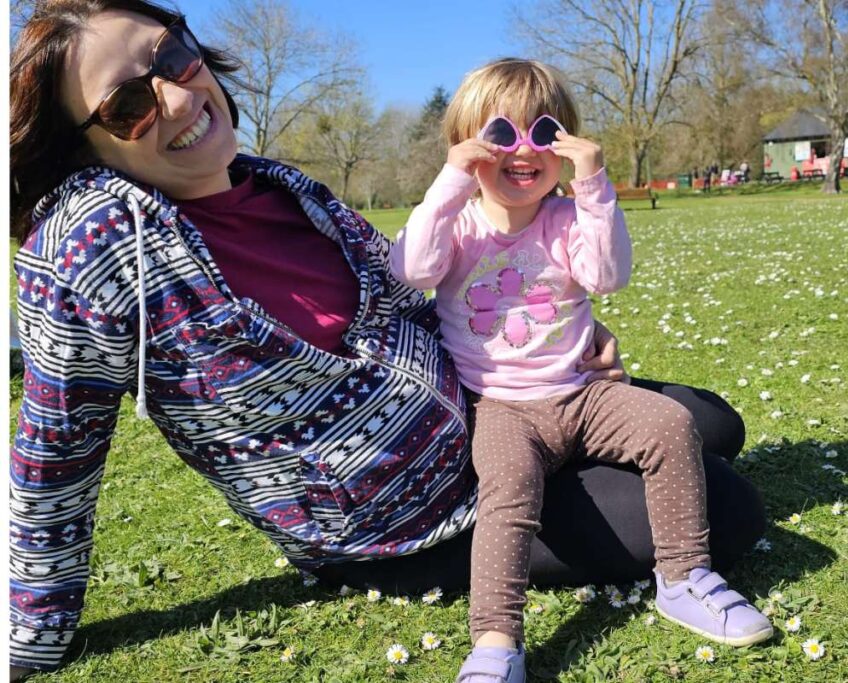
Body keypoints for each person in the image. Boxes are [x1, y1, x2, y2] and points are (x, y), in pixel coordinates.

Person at [9, 1, 766, 678]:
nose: (176, 96)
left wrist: (554, 319)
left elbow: (408, 288)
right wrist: (26, 639)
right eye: (128, 105)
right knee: (727, 508)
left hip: (484, 403)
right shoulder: (99, 248)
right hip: (404, 518)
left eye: (172, 57)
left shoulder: (280, 185)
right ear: (85, 148)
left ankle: (571, 450)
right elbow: (56, 450)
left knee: (711, 422)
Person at [389, 59, 772, 683]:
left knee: (672, 425)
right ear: (467, 145)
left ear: (562, 146)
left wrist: (593, 184)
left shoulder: (567, 219)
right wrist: (450, 182)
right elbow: (412, 266)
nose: (521, 150)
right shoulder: (457, 224)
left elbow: (607, 275)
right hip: (501, 405)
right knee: (508, 489)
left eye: (541, 133)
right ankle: (495, 640)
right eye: (498, 134)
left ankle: (683, 577)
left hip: (581, 393)